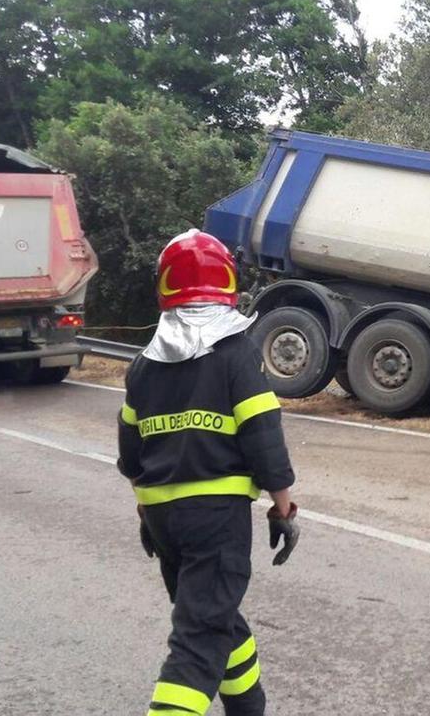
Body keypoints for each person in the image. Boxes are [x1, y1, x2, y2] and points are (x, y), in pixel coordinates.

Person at [117, 229, 300, 716]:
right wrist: (283, 509)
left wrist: (145, 507)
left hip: (162, 519)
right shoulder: (236, 355)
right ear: (228, 284)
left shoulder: (143, 366)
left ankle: (248, 707)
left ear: (166, 286)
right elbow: (264, 437)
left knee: (213, 616)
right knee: (199, 638)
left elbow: (131, 452)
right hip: (216, 519)